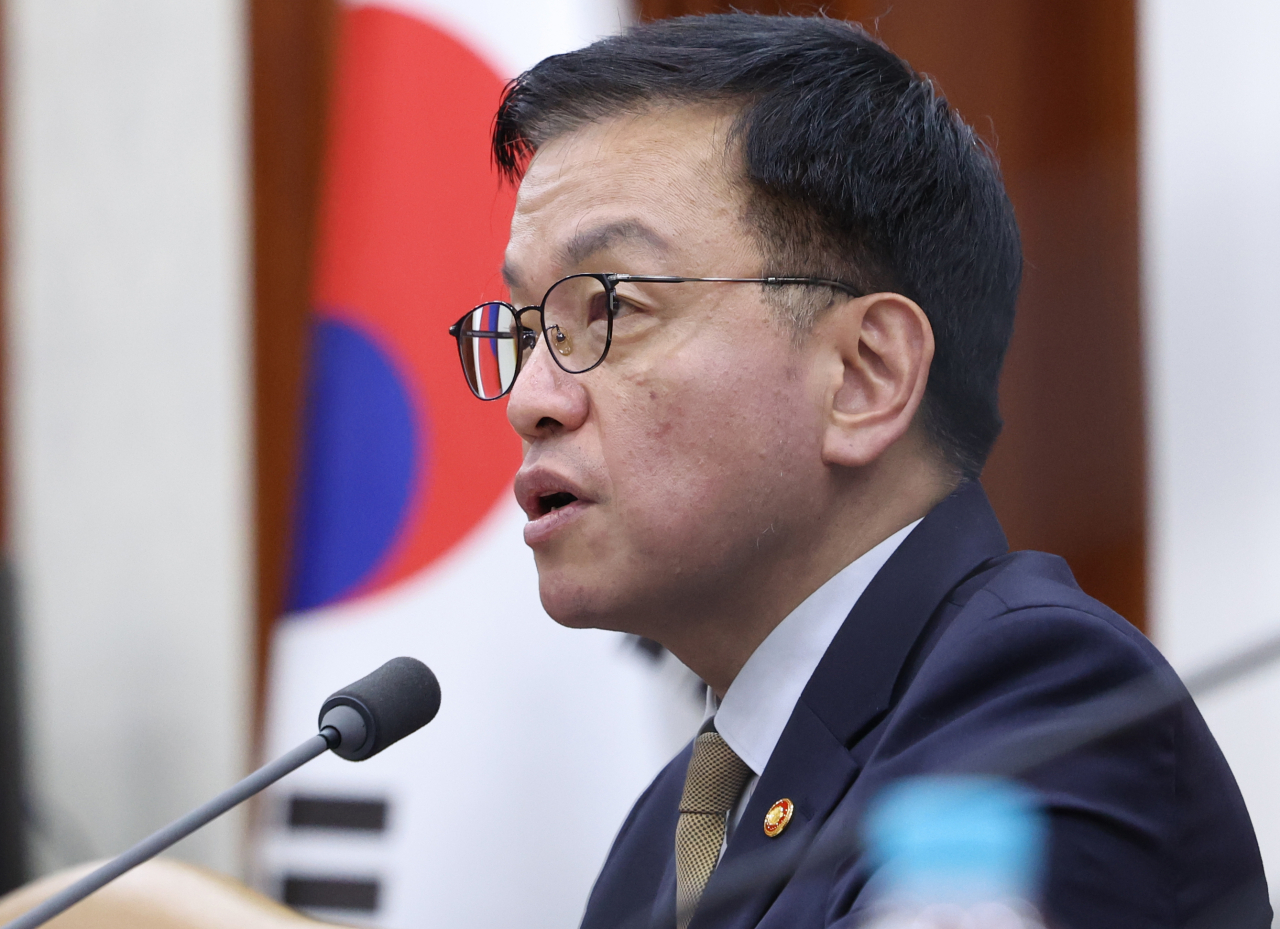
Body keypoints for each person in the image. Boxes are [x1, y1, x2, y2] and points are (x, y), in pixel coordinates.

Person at [446, 13, 1269, 929]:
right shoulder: (665, 838)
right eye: (524, 332)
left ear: (865, 374)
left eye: (610, 309)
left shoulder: (1038, 699)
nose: (531, 399)